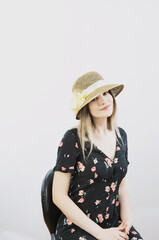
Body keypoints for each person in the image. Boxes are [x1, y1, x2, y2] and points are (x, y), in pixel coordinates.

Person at [52, 71, 143, 240]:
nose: (103, 100)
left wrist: (127, 218)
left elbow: (121, 185)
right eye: (94, 98)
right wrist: (99, 233)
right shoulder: (73, 138)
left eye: (106, 93)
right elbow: (58, 196)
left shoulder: (121, 136)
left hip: (113, 222)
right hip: (78, 226)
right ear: (85, 106)